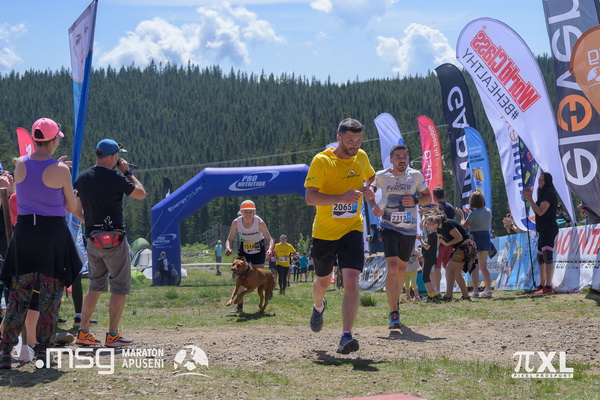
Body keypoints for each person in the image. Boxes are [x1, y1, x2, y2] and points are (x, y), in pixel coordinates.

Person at [0, 118, 82, 369]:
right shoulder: (62, 170)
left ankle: (5, 351)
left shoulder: (19, 164)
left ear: (35, 140)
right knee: (50, 297)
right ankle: (44, 352)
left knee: (18, 296)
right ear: (54, 140)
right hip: (51, 235)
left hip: (25, 233)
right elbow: (71, 206)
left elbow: (32, 185)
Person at [305, 118, 376, 354]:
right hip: (324, 232)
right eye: (350, 140)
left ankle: (346, 336)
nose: (355, 144)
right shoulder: (322, 161)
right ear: (339, 138)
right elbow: (310, 198)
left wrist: (370, 188)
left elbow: (371, 177)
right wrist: (340, 198)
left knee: (352, 280)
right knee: (323, 282)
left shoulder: (361, 157)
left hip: (352, 229)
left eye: (358, 140)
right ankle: (318, 305)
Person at [74, 139, 146, 348]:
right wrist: (127, 172)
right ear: (114, 156)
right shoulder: (116, 177)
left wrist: (91, 224)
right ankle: (112, 334)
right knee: (119, 287)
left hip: (92, 239)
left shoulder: (82, 178)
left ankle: (83, 332)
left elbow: (75, 210)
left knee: (95, 285)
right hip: (115, 239)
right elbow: (141, 194)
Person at [368, 144, 431, 329]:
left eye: (405, 156)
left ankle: (395, 303)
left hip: (409, 229)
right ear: (391, 159)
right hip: (388, 226)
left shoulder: (415, 176)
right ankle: (393, 311)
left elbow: (428, 197)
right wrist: (373, 206)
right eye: (398, 156)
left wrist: (415, 200)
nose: (402, 159)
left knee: (402, 268)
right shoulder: (381, 176)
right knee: (393, 267)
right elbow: (369, 192)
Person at [225, 200, 274, 312]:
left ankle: (269, 288)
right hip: (244, 247)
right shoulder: (236, 222)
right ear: (241, 212)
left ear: (254, 212)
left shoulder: (259, 222)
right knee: (240, 277)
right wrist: (228, 248)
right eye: (245, 211)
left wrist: (270, 249)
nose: (248, 214)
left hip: (258, 247)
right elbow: (229, 239)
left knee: (259, 276)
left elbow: (270, 239)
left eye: (250, 212)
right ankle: (239, 307)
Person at [424, 209, 476, 301]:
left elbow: (459, 238)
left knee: (449, 269)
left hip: (465, 246)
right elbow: (438, 242)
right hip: (461, 247)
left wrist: (447, 244)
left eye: (430, 223)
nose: (427, 225)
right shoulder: (439, 228)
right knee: (456, 272)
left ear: (436, 222)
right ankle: (465, 296)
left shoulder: (447, 224)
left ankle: (448, 296)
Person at [523, 172, 559, 294]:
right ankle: (542, 284)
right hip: (543, 229)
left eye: (542, 180)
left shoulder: (549, 193)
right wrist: (531, 197)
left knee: (548, 257)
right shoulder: (542, 193)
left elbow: (540, 211)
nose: (540, 182)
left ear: (548, 181)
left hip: (548, 228)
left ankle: (548, 285)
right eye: (539, 180)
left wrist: (530, 199)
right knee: (541, 257)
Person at [456, 191, 493, 298]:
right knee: (484, 266)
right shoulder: (488, 211)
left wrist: (462, 216)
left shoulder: (473, 214)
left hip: (475, 239)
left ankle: (475, 290)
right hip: (485, 239)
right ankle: (488, 289)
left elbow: (464, 226)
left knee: (474, 267)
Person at [432, 187, 455, 291]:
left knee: (437, 267)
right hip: (451, 240)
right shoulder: (450, 207)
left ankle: (437, 290)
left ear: (434, 196)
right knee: (448, 267)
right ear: (443, 195)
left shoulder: (435, 208)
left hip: (439, 240)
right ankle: (449, 290)